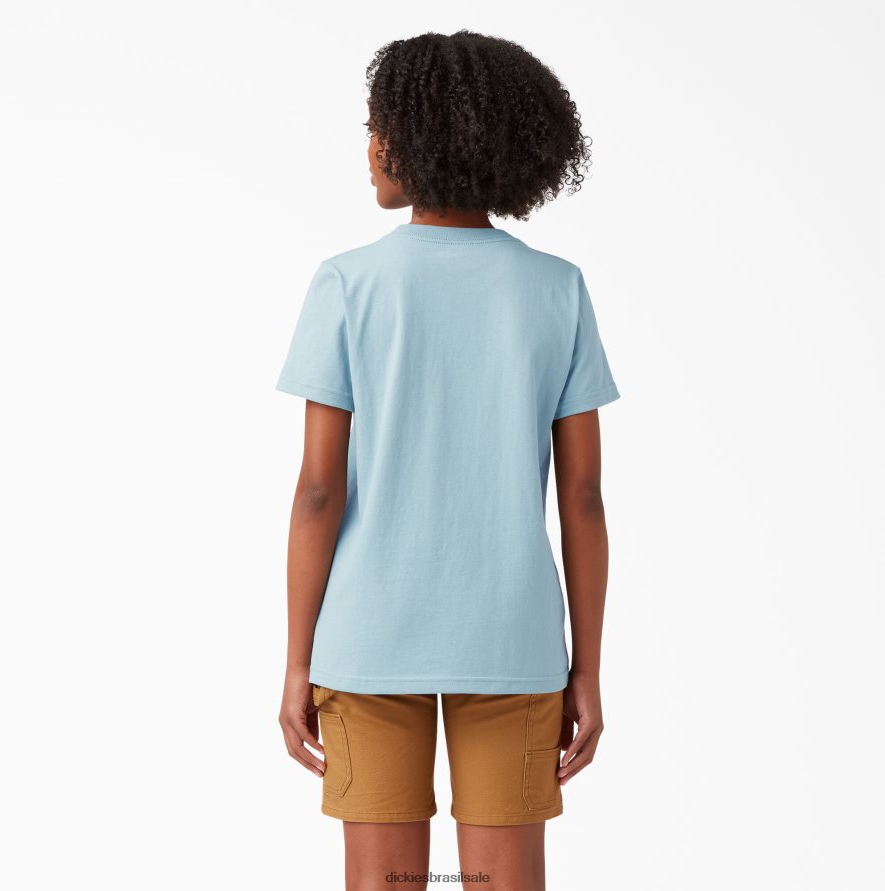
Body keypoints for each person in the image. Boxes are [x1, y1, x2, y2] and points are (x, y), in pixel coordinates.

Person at [276, 30, 620, 891]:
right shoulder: (555, 288)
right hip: (513, 634)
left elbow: (318, 490)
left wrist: (297, 658)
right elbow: (581, 495)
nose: (369, 148)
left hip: (368, 635)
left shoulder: (348, 283)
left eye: (377, 126)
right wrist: (585, 665)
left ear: (421, 136)